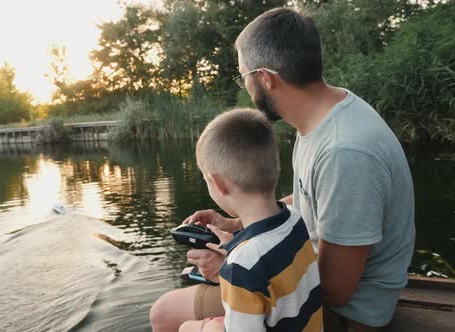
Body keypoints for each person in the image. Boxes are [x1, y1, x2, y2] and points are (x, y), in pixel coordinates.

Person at [150, 6, 415, 332]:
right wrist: (235, 224)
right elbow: (311, 202)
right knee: (173, 309)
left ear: (265, 78)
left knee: (166, 315)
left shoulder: (344, 152)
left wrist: (230, 270)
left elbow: (336, 289)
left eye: (243, 76)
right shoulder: (324, 118)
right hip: (304, 281)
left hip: (344, 312)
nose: (246, 88)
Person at [177, 108, 322, 332]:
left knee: (189, 328)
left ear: (218, 184)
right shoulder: (294, 218)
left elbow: (249, 268)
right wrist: (232, 248)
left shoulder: (241, 267)